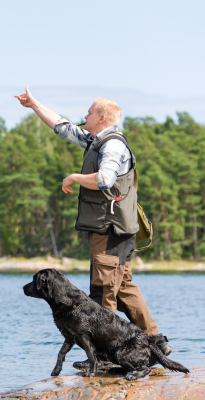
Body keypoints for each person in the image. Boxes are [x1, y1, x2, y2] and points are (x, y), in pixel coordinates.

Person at [14, 87, 172, 370]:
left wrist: (74, 176)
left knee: (101, 293)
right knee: (123, 287)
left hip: (109, 230)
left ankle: (101, 358)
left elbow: (105, 180)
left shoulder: (112, 146)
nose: (83, 115)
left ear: (101, 117)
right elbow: (63, 128)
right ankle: (155, 342)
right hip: (118, 228)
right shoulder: (97, 140)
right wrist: (34, 105)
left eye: (88, 112)